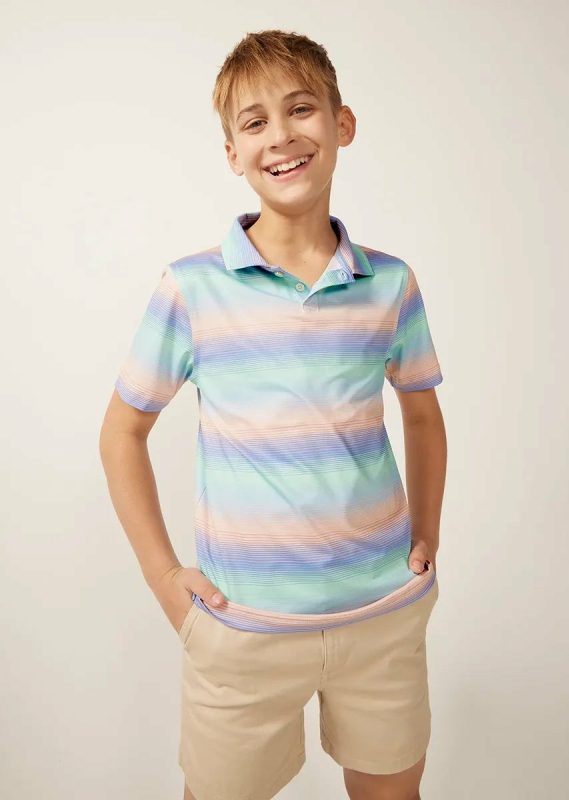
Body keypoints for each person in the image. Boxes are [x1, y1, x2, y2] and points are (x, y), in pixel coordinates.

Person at [99, 28, 447, 800]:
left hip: (382, 616)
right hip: (243, 630)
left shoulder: (391, 285)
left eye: (301, 109)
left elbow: (422, 414)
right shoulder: (192, 289)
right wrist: (164, 578)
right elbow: (122, 431)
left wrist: (426, 536)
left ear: (342, 123)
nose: (281, 135)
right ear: (233, 153)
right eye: (255, 122)